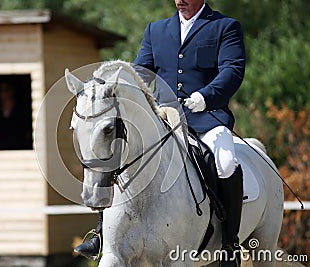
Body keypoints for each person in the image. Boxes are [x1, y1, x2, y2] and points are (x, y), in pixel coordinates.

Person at [74, 1, 246, 266]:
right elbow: (141, 73)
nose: (180, 0)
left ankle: (230, 244)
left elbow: (232, 70)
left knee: (225, 163)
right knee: (120, 155)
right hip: (163, 117)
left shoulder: (224, 27)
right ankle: (101, 233)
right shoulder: (156, 30)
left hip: (206, 117)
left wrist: (206, 96)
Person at [0, 82, 31, 150]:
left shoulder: (21, 110)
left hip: (20, 148)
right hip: (1, 149)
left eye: (6, 90)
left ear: (12, 91)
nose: (3, 93)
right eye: (1, 90)